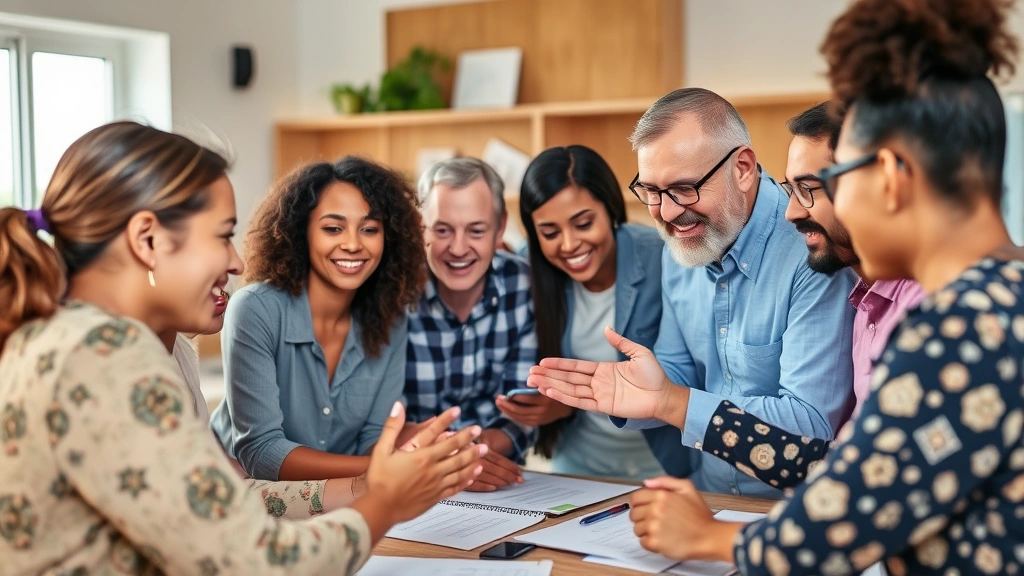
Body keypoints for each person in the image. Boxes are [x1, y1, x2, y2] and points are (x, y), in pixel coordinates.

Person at [545, 0, 1024, 572]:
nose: (801, 212)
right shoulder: (994, 299)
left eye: (829, 182)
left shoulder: (960, 326)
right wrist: (665, 400)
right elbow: (835, 466)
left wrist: (710, 538)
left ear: (891, 178)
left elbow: (853, 511)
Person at [0, 121, 485, 574]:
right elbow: (260, 562)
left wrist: (371, 484)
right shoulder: (107, 355)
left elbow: (222, 507)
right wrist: (385, 501)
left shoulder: (80, 339)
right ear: (147, 240)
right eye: (222, 235)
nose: (236, 262)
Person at [533, 88, 859, 498]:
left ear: (742, 168)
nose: (667, 213)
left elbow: (809, 425)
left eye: (684, 188)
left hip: (793, 510)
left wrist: (673, 401)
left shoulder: (812, 248)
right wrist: (640, 390)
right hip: (709, 496)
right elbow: (680, 368)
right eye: (651, 192)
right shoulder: (682, 242)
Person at [211, 157, 426, 482]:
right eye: (333, 228)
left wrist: (411, 454)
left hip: (340, 493)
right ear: (302, 232)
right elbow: (262, 453)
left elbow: (373, 438)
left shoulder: (391, 319)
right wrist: (385, 468)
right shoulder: (254, 309)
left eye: (370, 229)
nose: (353, 244)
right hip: (236, 487)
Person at [496, 145, 665, 481]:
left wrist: (572, 401)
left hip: (664, 469)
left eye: (583, 223)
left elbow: (691, 378)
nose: (569, 244)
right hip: (576, 472)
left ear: (610, 208)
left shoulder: (662, 259)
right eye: (550, 233)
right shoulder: (530, 269)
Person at [404, 157, 535, 491]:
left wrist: (474, 454)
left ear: (500, 227)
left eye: (476, 231)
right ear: (420, 227)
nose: (458, 248)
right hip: (407, 475)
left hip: (495, 480)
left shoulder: (523, 285)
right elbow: (378, 422)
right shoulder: (393, 292)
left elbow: (523, 409)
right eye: (442, 230)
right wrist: (451, 458)